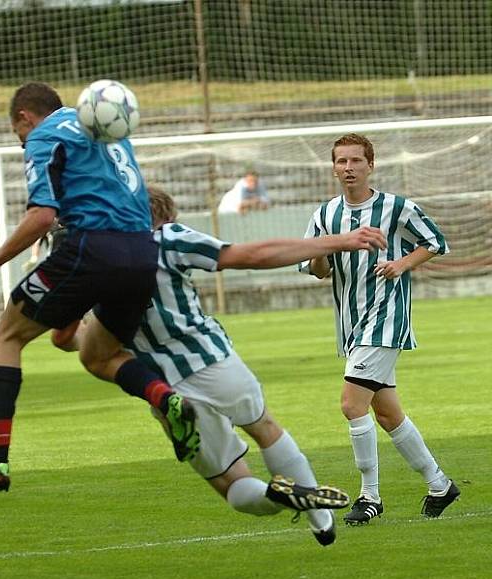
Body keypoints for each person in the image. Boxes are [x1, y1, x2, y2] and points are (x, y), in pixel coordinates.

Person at [52, 185, 388, 545]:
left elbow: (64, 338)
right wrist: (337, 241)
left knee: (231, 483)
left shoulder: (94, 263)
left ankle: (277, 495)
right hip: (213, 362)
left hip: (163, 392)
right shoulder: (167, 239)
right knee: (263, 426)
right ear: (165, 217)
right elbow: (253, 255)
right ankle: (318, 517)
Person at [0, 82, 200, 492]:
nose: (20, 143)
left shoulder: (42, 136)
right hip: (141, 249)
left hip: (91, 247)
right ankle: (165, 397)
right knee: (89, 349)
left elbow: (41, 216)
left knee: (8, 335)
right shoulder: (100, 125)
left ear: (24, 118)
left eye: (17, 134)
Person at [299, 133, 459, 524]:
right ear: (334, 167)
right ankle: (440, 484)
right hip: (352, 324)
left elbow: (436, 242)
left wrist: (401, 264)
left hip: (386, 318)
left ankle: (370, 497)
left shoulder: (396, 207)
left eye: (356, 161)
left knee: (351, 405)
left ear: (371, 165)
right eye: (341, 162)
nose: (348, 168)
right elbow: (316, 270)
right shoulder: (326, 215)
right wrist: (326, 251)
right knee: (387, 415)